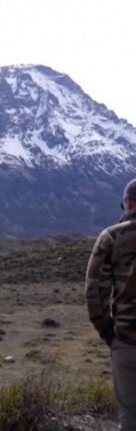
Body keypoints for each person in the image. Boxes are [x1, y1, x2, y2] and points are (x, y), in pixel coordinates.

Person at [86, 178, 136, 429]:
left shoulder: (110, 238)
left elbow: (94, 295)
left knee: (130, 414)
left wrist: (111, 335)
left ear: (128, 202)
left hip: (127, 341)